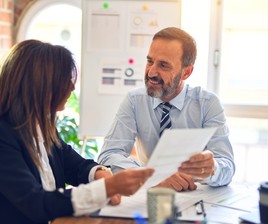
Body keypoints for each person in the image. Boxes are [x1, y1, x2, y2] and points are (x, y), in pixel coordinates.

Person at [0, 40, 154, 224]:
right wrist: (108, 188)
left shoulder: (41, 127)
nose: (72, 88)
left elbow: (75, 166)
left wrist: (99, 174)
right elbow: (35, 203)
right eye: (65, 79)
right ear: (41, 85)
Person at [98, 27, 235, 191]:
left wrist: (212, 168)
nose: (151, 72)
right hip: (152, 193)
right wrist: (151, 176)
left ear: (186, 72)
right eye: (150, 61)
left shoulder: (207, 104)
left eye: (163, 65)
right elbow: (107, 156)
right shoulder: (135, 101)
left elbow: (227, 166)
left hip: (196, 196)